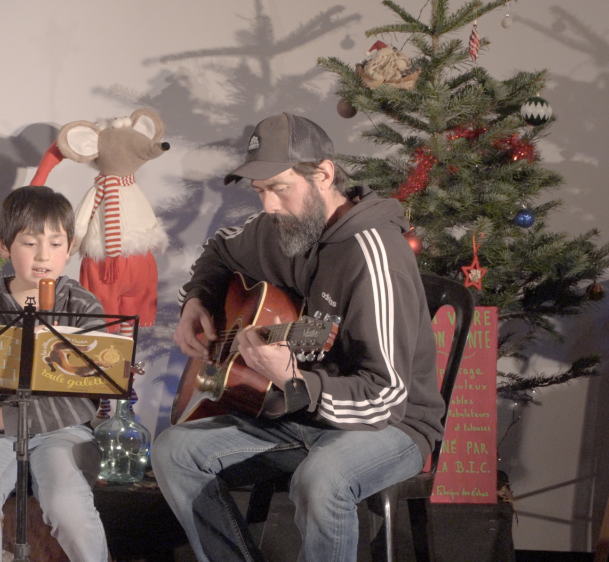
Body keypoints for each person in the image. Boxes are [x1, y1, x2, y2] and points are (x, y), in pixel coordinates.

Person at [152, 113, 443, 562]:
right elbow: (220, 248)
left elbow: (388, 396)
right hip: (299, 413)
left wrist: (297, 383)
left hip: (389, 424)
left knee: (321, 478)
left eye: (279, 188)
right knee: (175, 450)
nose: (268, 205)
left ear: (323, 174)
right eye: (260, 191)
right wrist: (199, 298)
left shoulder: (374, 255)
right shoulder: (283, 228)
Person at [0, 186, 110, 562]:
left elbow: (85, 398)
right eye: (29, 243)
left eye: (55, 243)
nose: (43, 256)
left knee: (67, 504)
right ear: (4, 246)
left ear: (70, 247)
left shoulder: (82, 305)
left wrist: (9, 413)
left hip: (60, 429)